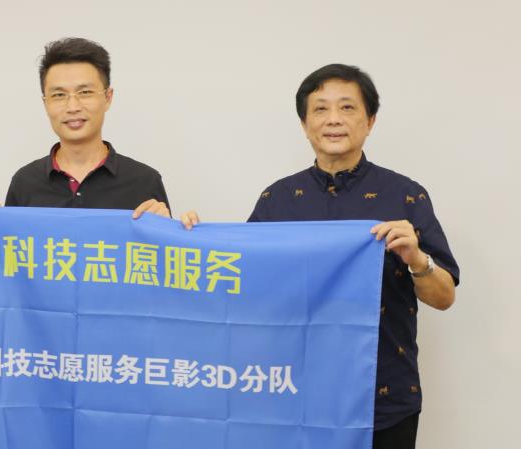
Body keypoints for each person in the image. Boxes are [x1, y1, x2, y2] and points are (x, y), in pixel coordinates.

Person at [182, 64, 459, 449]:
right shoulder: (277, 200)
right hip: (293, 394)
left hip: (383, 396)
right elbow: (242, 283)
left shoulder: (405, 195)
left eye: (347, 108)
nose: (333, 120)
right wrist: (193, 238)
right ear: (304, 123)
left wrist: (416, 259)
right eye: (321, 109)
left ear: (370, 121)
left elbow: (444, 298)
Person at [0, 37, 170, 218]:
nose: (73, 107)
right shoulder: (24, 182)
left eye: (85, 92)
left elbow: (162, 239)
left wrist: (173, 227)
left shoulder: (144, 181)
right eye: (59, 95)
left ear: (108, 98)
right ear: (45, 103)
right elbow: (11, 239)